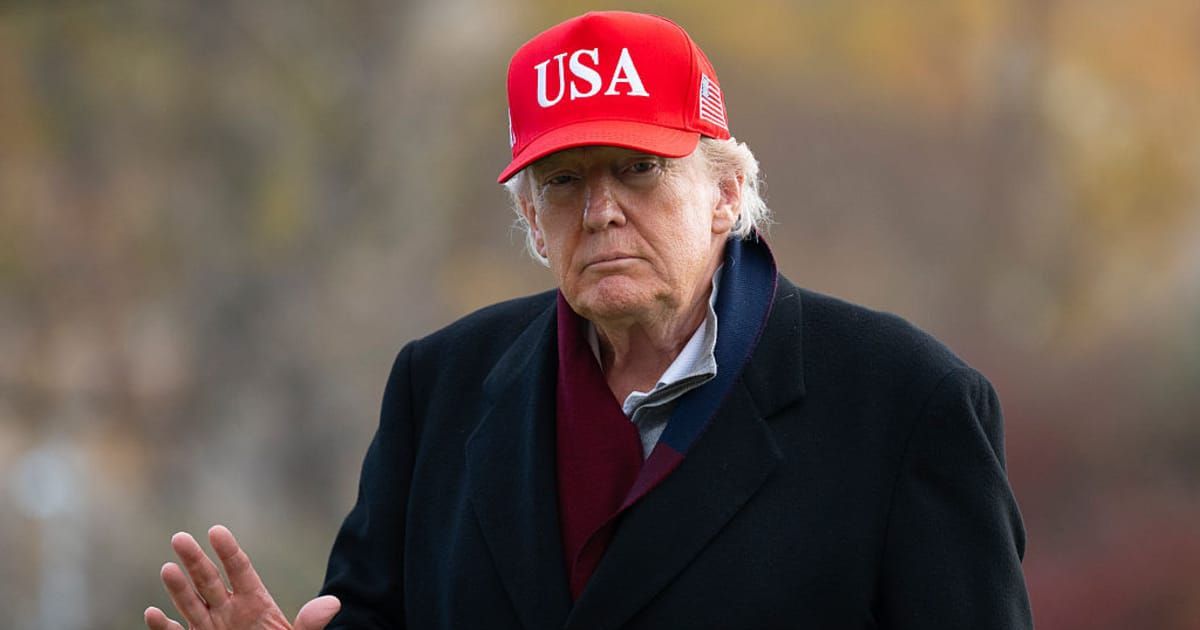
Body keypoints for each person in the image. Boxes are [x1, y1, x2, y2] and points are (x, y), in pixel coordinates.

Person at [145, 11, 1033, 630]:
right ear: (532, 220)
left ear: (728, 195)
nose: (600, 210)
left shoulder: (905, 404)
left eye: (639, 168)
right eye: (564, 181)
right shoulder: (441, 387)